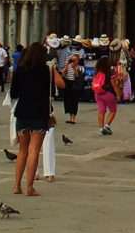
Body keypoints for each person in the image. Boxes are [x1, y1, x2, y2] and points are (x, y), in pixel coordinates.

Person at [10, 42, 64, 196]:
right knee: (34, 150)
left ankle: (16, 185)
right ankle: (29, 187)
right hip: (39, 114)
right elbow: (48, 93)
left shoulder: (20, 69)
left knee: (22, 151)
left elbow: (14, 93)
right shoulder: (45, 70)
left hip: (22, 112)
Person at [93, 56, 120, 135]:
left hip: (98, 93)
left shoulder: (97, 71)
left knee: (101, 111)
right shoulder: (109, 72)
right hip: (108, 93)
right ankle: (106, 125)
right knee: (113, 110)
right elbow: (114, 84)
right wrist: (118, 94)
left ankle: (101, 129)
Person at [62, 52, 82, 123]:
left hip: (75, 85)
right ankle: (70, 118)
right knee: (68, 101)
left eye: (75, 60)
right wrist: (67, 66)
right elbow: (63, 75)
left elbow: (77, 76)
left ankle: (73, 118)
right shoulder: (68, 66)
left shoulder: (79, 67)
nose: (73, 61)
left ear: (78, 60)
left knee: (74, 101)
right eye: (72, 60)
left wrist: (74, 68)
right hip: (68, 84)